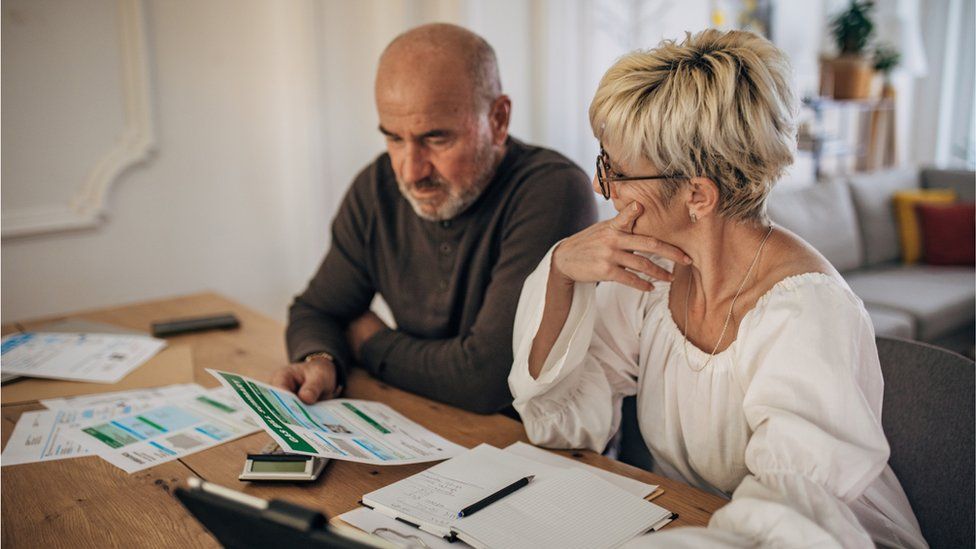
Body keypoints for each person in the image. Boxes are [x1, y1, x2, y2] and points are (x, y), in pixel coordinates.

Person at [509, 29, 926, 547]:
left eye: (614, 170)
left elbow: (790, 519)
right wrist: (561, 271)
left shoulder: (806, 313)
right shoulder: (650, 274)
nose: (601, 187)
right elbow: (562, 426)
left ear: (698, 195)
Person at [274, 23, 596, 414]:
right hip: (426, 426)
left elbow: (488, 380)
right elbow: (317, 310)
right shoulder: (377, 186)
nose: (410, 172)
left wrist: (368, 342)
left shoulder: (553, 191)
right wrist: (322, 359)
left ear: (498, 119)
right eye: (394, 138)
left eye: (435, 139)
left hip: (536, 449)